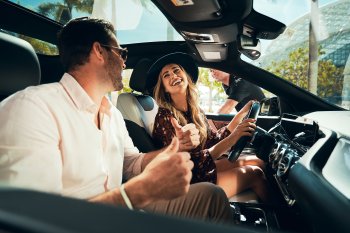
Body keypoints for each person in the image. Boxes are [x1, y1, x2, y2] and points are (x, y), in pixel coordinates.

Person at [0, 18, 233, 224]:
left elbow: (131, 164)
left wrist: (175, 148)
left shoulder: (111, 113)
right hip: (83, 222)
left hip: (121, 210)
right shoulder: (32, 108)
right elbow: (33, 217)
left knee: (212, 196)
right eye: (121, 53)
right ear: (99, 51)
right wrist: (136, 193)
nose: (123, 62)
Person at [148, 52, 269, 202]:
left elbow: (214, 140)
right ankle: (283, 221)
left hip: (202, 167)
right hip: (189, 178)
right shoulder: (166, 117)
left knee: (259, 161)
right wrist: (234, 136)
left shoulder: (195, 110)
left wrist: (242, 113)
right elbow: (190, 161)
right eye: (166, 75)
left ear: (186, 76)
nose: (173, 75)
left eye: (176, 70)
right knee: (254, 174)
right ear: (164, 88)